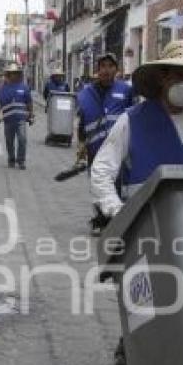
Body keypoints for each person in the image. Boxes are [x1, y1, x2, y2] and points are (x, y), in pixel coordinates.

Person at [90, 39, 183, 365]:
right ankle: (132, 346)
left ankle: (180, 349)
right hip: (143, 226)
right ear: (162, 78)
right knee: (143, 295)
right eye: (178, 74)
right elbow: (102, 170)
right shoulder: (132, 120)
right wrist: (116, 211)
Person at [76, 52, 136, 234]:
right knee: (98, 180)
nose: (106, 70)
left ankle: (110, 218)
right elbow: (82, 121)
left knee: (117, 181)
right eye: (103, 66)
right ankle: (101, 218)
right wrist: (81, 144)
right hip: (95, 146)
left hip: (118, 147)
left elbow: (133, 116)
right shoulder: (86, 93)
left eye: (110, 66)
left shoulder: (126, 90)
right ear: (98, 70)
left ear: (116, 70)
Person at [0, 63, 34, 170]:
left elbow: (29, 102)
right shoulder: (3, 89)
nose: (13, 75)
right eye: (11, 73)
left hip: (21, 119)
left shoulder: (24, 87)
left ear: (19, 74)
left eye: (16, 73)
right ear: (8, 74)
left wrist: (31, 115)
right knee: (9, 141)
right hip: (8, 120)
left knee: (22, 139)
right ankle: (11, 158)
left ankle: (21, 160)